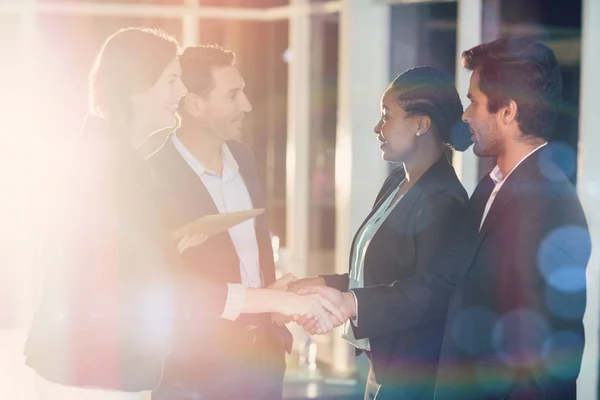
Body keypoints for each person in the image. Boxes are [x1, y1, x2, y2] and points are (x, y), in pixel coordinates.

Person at [24, 27, 341, 400]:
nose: (179, 94)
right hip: (122, 368)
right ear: (136, 88)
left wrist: (161, 250)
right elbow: (152, 286)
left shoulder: (120, 160)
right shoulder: (110, 166)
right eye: (172, 80)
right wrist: (277, 301)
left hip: (138, 362)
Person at [299, 38, 591, 400]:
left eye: (474, 102)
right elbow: (444, 285)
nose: (465, 115)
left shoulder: (550, 204)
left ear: (508, 112)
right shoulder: (490, 189)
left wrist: (351, 302)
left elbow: (549, 362)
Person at [289, 66, 473, 400]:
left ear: (421, 124)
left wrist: (350, 303)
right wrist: (327, 284)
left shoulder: (444, 199)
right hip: (380, 366)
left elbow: (428, 293)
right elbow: (384, 272)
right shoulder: (397, 183)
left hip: (414, 376)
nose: (378, 127)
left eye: (387, 116)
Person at [146, 44, 291, 400]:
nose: (247, 105)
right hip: (194, 371)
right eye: (233, 95)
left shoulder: (243, 156)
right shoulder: (151, 175)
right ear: (195, 104)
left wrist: (274, 306)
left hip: (264, 361)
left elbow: (254, 247)